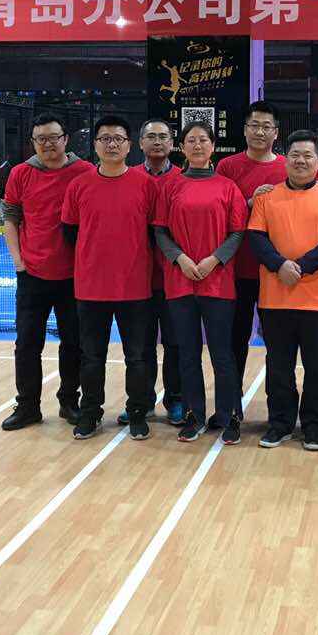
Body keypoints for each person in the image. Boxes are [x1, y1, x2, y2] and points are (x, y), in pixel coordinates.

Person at [247, 130, 318, 452]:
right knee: (279, 367)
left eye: (308, 156)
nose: (300, 161)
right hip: (275, 299)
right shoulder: (267, 198)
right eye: (295, 155)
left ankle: (313, 426)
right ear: (285, 159)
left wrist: (299, 268)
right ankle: (280, 423)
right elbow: (256, 239)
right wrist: (280, 266)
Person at [62, 114, 159, 441]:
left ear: (130, 146)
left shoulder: (146, 185)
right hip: (91, 288)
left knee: (137, 357)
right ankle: (90, 413)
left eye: (118, 139)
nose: (112, 144)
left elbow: (154, 233)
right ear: (95, 145)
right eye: (105, 139)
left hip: (135, 287)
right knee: (91, 358)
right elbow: (70, 232)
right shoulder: (79, 185)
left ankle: (137, 413)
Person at [154, 123, 249, 444]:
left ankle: (230, 415)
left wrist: (214, 260)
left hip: (218, 283)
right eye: (191, 140)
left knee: (223, 354)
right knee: (187, 354)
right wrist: (180, 259)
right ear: (182, 147)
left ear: (213, 146)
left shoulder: (228, 187)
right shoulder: (170, 186)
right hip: (180, 281)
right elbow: (160, 231)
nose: (197, 145)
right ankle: (193, 414)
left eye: (203, 140)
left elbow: (237, 232)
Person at [0, 114, 91, 431]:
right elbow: (10, 218)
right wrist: (18, 261)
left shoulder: (85, 172)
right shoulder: (20, 174)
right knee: (27, 344)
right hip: (32, 276)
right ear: (33, 142)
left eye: (54, 137)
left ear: (66, 139)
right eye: (41, 139)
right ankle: (28, 406)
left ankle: (69, 402)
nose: (48, 144)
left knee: (74, 343)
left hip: (74, 277)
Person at [216, 100, 287, 422]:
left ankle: (279, 411)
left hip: (276, 271)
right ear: (244, 130)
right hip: (236, 270)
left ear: (276, 132)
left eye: (266, 126)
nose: (260, 131)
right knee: (234, 341)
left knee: (278, 344)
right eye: (254, 125)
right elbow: (218, 214)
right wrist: (249, 202)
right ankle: (231, 406)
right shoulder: (227, 167)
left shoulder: (288, 167)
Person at [120, 118, 184, 426]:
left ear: (172, 143)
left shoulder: (183, 179)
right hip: (138, 280)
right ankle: (141, 401)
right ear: (140, 143)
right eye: (151, 136)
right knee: (140, 347)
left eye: (163, 136)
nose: (157, 142)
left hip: (174, 279)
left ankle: (176, 400)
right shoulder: (127, 178)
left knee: (175, 344)